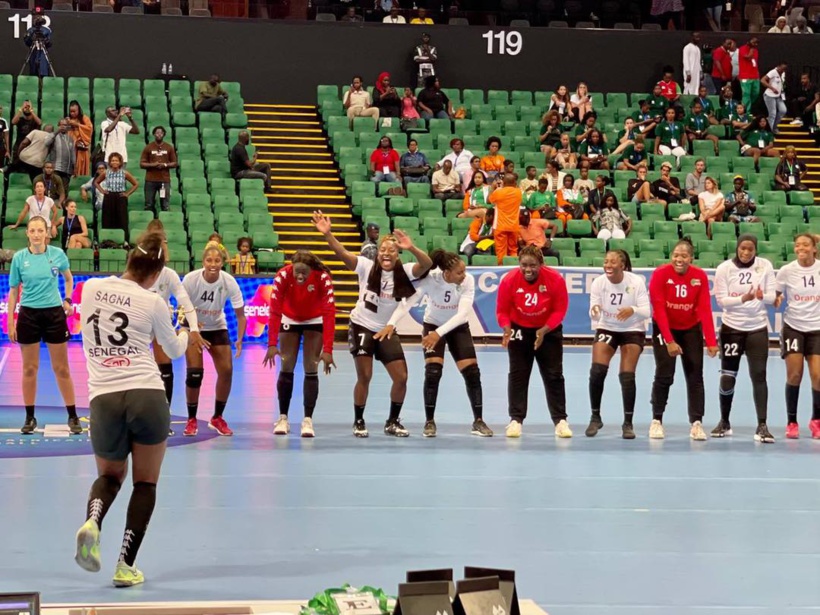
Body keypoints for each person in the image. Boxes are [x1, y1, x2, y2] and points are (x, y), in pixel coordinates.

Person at [73, 231, 192, 588]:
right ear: (155, 275)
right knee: (145, 482)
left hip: (104, 397)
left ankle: (93, 520)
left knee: (110, 477)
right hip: (146, 394)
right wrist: (186, 327)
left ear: (128, 260)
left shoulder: (91, 288)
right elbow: (173, 350)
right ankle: (125, 565)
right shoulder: (153, 302)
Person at [312, 210, 432, 437]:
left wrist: (412, 247)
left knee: (401, 377)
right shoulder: (366, 267)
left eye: (392, 250)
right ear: (378, 254)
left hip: (386, 329)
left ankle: (392, 421)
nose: (387, 253)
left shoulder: (405, 271)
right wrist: (328, 235)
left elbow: (427, 264)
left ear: (398, 254)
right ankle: (358, 420)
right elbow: (342, 253)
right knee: (364, 376)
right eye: (383, 250)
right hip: (362, 325)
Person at [400, 249, 492, 437]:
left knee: (472, 373)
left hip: (457, 327)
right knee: (433, 372)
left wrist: (438, 334)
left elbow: (462, 315)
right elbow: (411, 298)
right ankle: (429, 422)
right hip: (432, 323)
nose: (464, 275)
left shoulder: (468, 281)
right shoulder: (432, 278)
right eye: (459, 272)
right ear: (446, 273)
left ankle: (478, 421)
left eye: (464, 271)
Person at [8, 216, 79, 435]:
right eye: (33, 231)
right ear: (27, 233)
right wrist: (11, 321)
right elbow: (13, 292)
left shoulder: (57, 254)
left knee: (62, 368)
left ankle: (73, 415)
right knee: (29, 368)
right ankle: (30, 417)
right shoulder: (19, 259)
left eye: (41, 230)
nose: (37, 234)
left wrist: (68, 300)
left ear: (47, 233)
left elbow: (69, 279)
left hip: (53, 314)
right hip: (28, 315)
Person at [496, 245, 571, 439]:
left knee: (554, 375)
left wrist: (544, 330)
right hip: (519, 330)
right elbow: (502, 310)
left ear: (541, 264)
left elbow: (560, 310)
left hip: (548, 330)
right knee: (518, 375)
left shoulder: (554, 279)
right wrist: (506, 327)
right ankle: (515, 420)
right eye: (524, 265)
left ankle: (560, 421)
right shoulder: (510, 280)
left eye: (533, 265)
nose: (528, 270)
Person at [648, 239, 719, 440]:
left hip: (690, 328)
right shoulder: (660, 274)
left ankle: (696, 423)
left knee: (695, 375)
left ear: (691, 258)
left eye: (684, 256)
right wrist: (669, 340)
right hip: (665, 328)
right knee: (664, 374)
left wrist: (711, 341)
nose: (679, 259)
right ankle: (656, 421)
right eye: (676, 255)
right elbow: (659, 308)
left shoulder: (699, 276)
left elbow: (704, 308)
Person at [264, 250, 336, 438]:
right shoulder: (282, 276)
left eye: (305, 272)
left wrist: (328, 349)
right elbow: (274, 311)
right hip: (290, 317)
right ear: (292, 268)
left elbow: (329, 313)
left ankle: (307, 420)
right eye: (297, 271)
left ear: (312, 270)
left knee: (311, 366)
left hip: (314, 318)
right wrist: (272, 343)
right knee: (287, 365)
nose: (301, 276)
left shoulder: (323, 278)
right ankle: (283, 418)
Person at [712, 235, 776, 442]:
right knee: (728, 375)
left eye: (750, 249)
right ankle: (724, 421)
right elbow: (722, 301)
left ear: (755, 249)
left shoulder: (765, 266)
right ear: (737, 248)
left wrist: (761, 296)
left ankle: (762, 425)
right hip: (732, 328)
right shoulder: (724, 269)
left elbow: (772, 297)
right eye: (743, 249)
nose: (746, 253)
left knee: (759, 375)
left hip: (757, 328)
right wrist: (743, 298)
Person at [181, 243, 247, 438]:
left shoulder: (229, 282)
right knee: (195, 373)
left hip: (217, 326)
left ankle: (217, 417)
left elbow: (241, 316)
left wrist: (240, 340)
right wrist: (193, 329)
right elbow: (184, 308)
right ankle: (191, 419)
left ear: (222, 263)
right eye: (209, 260)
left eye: (217, 261)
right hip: (193, 326)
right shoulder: (191, 280)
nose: (213, 264)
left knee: (226, 371)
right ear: (203, 262)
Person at [587, 250, 650, 439]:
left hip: (632, 329)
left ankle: (628, 423)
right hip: (607, 327)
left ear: (622, 265)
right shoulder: (599, 282)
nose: (608, 265)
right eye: (606, 261)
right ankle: (595, 416)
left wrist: (633, 310)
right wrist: (595, 311)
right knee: (597, 371)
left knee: (627, 375)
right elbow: (593, 310)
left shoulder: (635, 282)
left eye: (613, 262)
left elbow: (647, 312)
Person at [775, 234, 820, 439]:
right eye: (797, 245)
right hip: (794, 326)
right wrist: (776, 297)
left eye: (805, 244)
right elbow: (775, 292)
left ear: (814, 249)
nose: (800, 248)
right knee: (794, 375)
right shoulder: (787, 271)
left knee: (818, 376)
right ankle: (792, 421)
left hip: (817, 328)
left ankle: (816, 420)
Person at [95, 153, 138, 237]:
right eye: (112, 160)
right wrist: (103, 191)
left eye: (116, 160)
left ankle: (123, 239)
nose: (114, 162)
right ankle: (107, 238)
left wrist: (127, 193)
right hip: (109, 197)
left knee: (122, 219)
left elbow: (135, 184)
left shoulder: (124, 173)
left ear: (120, 162)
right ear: (110, 162)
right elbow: (96, 182)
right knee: (108, 219)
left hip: (120, 197)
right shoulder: (105, 173)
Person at [140, 126, 178, 214]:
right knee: (149, 204)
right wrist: (153, 165)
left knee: (165, 205)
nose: (159, 134)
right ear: (153, 134)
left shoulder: (169, 147)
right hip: (150, 180)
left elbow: (175, 163)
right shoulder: (148, 147)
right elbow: (142, 164)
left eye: (161, 133)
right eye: (157, 133)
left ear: (164, 134)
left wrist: (164, 165)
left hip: (164, 181)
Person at [488, 173, 522, 265]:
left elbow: (489, 200)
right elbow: (515, 187)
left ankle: (501, 271)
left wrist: (493, 187)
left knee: (501, 252)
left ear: (504, 182)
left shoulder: (498, 192)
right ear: (514, 182)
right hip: (513, 226)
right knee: (513, 250)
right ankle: (514, 269)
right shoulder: (518, 192)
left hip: (500, 226)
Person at [67, 100, 93, 177]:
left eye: (74, 111)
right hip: (70, 147)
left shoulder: (84, 118)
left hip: (81, 148)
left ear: (79, 110)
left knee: (81, 168)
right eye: (71, 111)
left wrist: (77, 125)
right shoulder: (68, 119)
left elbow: (89, 128)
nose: (72, 113)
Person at [761, 63, 788, 134]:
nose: (783, 70)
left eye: (784, 69)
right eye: (782, 68)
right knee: (772, 113)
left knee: (783, 110)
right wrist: (772, 88)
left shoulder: (783, 73)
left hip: (778, 96)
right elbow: (762, 80)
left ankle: (774, 127)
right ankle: (769, 131)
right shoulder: (773, 72)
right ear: (778, 67)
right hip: (769, 95)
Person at [49, 119, 76, 189]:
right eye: (62, 125)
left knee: (65, 189)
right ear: (58, 126)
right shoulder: (53, 136)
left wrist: (75, 167)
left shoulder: (70, 138)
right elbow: (46, 142)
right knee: (55, 189)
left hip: (67, 170)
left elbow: (73, 153)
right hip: (56, 169)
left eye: (65, 125)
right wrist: (57, 132)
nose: (63, 127)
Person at [738, 38, 761, 111]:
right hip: (745, 76)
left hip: (755, 76)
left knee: (756, 93)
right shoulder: (742, 48)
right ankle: (745, 112)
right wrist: (751, 49)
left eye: (757, 43)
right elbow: (748, 57)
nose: (755, 44)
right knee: (746, 94)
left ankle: (747, 106)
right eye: (754, 42)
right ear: (749, 41)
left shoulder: (756, 51)